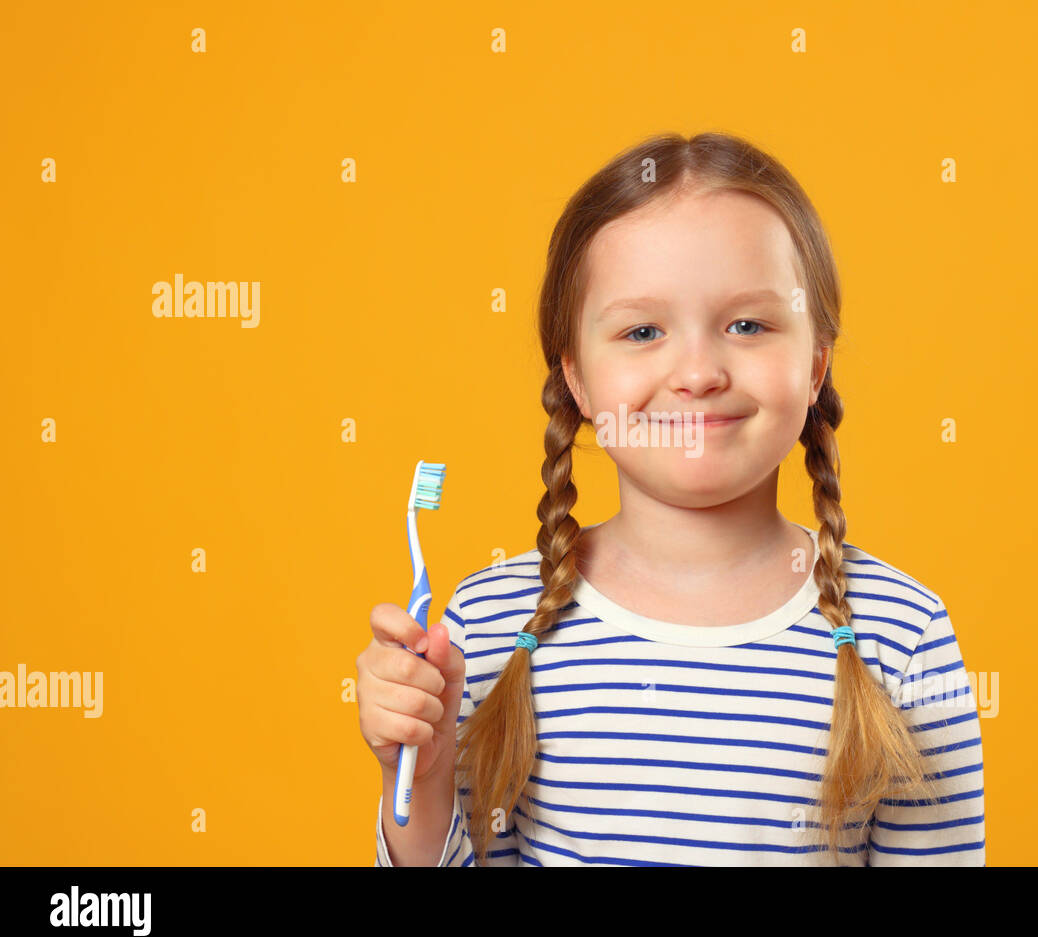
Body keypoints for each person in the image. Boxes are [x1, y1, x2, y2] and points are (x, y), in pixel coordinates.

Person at [358, 131, 986, 866]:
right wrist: (421, 782)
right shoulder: (488, 628)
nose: (697, 373)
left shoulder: (901, 635)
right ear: (579, 380)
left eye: (747, 325)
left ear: (815, 366)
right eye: (643, 330)